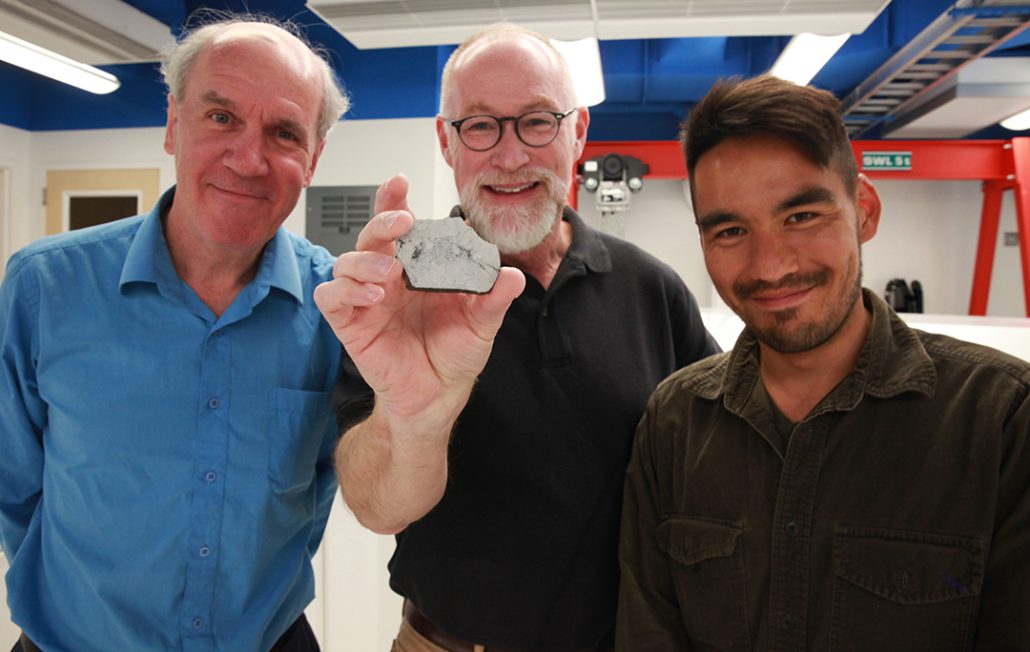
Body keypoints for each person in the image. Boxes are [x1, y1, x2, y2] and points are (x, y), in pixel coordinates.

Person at [313, 22, 719, 652]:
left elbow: (717, 468)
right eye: (479, 125)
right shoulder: (400, 296)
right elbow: (377, 507)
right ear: (447, 142)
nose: (509, 156)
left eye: (537, 120)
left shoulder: (652, 290)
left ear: (578, 132)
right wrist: (414, 414)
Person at [616, 74, 1030, 650]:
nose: (771, 265)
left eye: (801, 217)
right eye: (731, 230)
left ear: (864, 210)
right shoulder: (673, 422)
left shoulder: (1002, 420)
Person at [0, 14, 349, 652]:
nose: (248, 159)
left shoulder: (338, 308)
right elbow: (15, 490)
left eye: (284, 133)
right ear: (172, 123)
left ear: (313, 157)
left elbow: (328, 482)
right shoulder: (43, 288)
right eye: (221, 118)